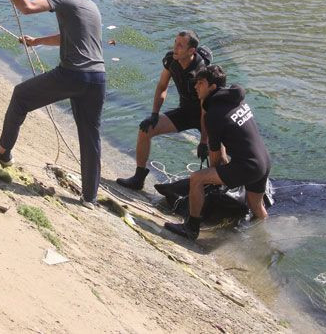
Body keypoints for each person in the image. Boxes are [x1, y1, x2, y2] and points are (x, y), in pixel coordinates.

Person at [0, 0, 105, 205]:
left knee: (20, 96)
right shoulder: (91, 5)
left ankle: (3, 152)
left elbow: (27, 7)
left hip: (73, 74)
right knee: (90, 135)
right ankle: (89, 197)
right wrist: (37, 41)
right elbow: (69, 37)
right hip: (98, 78)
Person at [164, 65, 271, 240]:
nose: (196, 86)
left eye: (201, 83)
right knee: (256, 206)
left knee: (197, 179)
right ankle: (264, 239)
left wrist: (211, 178)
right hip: (264, 161)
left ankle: (191, 228)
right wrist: (222, 167)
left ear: (212, 87)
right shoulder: (236, 100)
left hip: (248, 166)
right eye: (196, 82)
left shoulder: (214, 114)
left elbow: (215, 158)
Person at [116, 31, 212, 190]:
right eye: (175, 43)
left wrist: (203, 140)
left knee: (218, 155)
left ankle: (225, 190)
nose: (175, 48)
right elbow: (162, 86)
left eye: (180, 45)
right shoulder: (171, 61)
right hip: (185, 112)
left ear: (191, 51)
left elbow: (205, 108)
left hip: (206, 116)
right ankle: (138, 178)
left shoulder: (201, 70)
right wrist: (154, 114)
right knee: (145, 130)